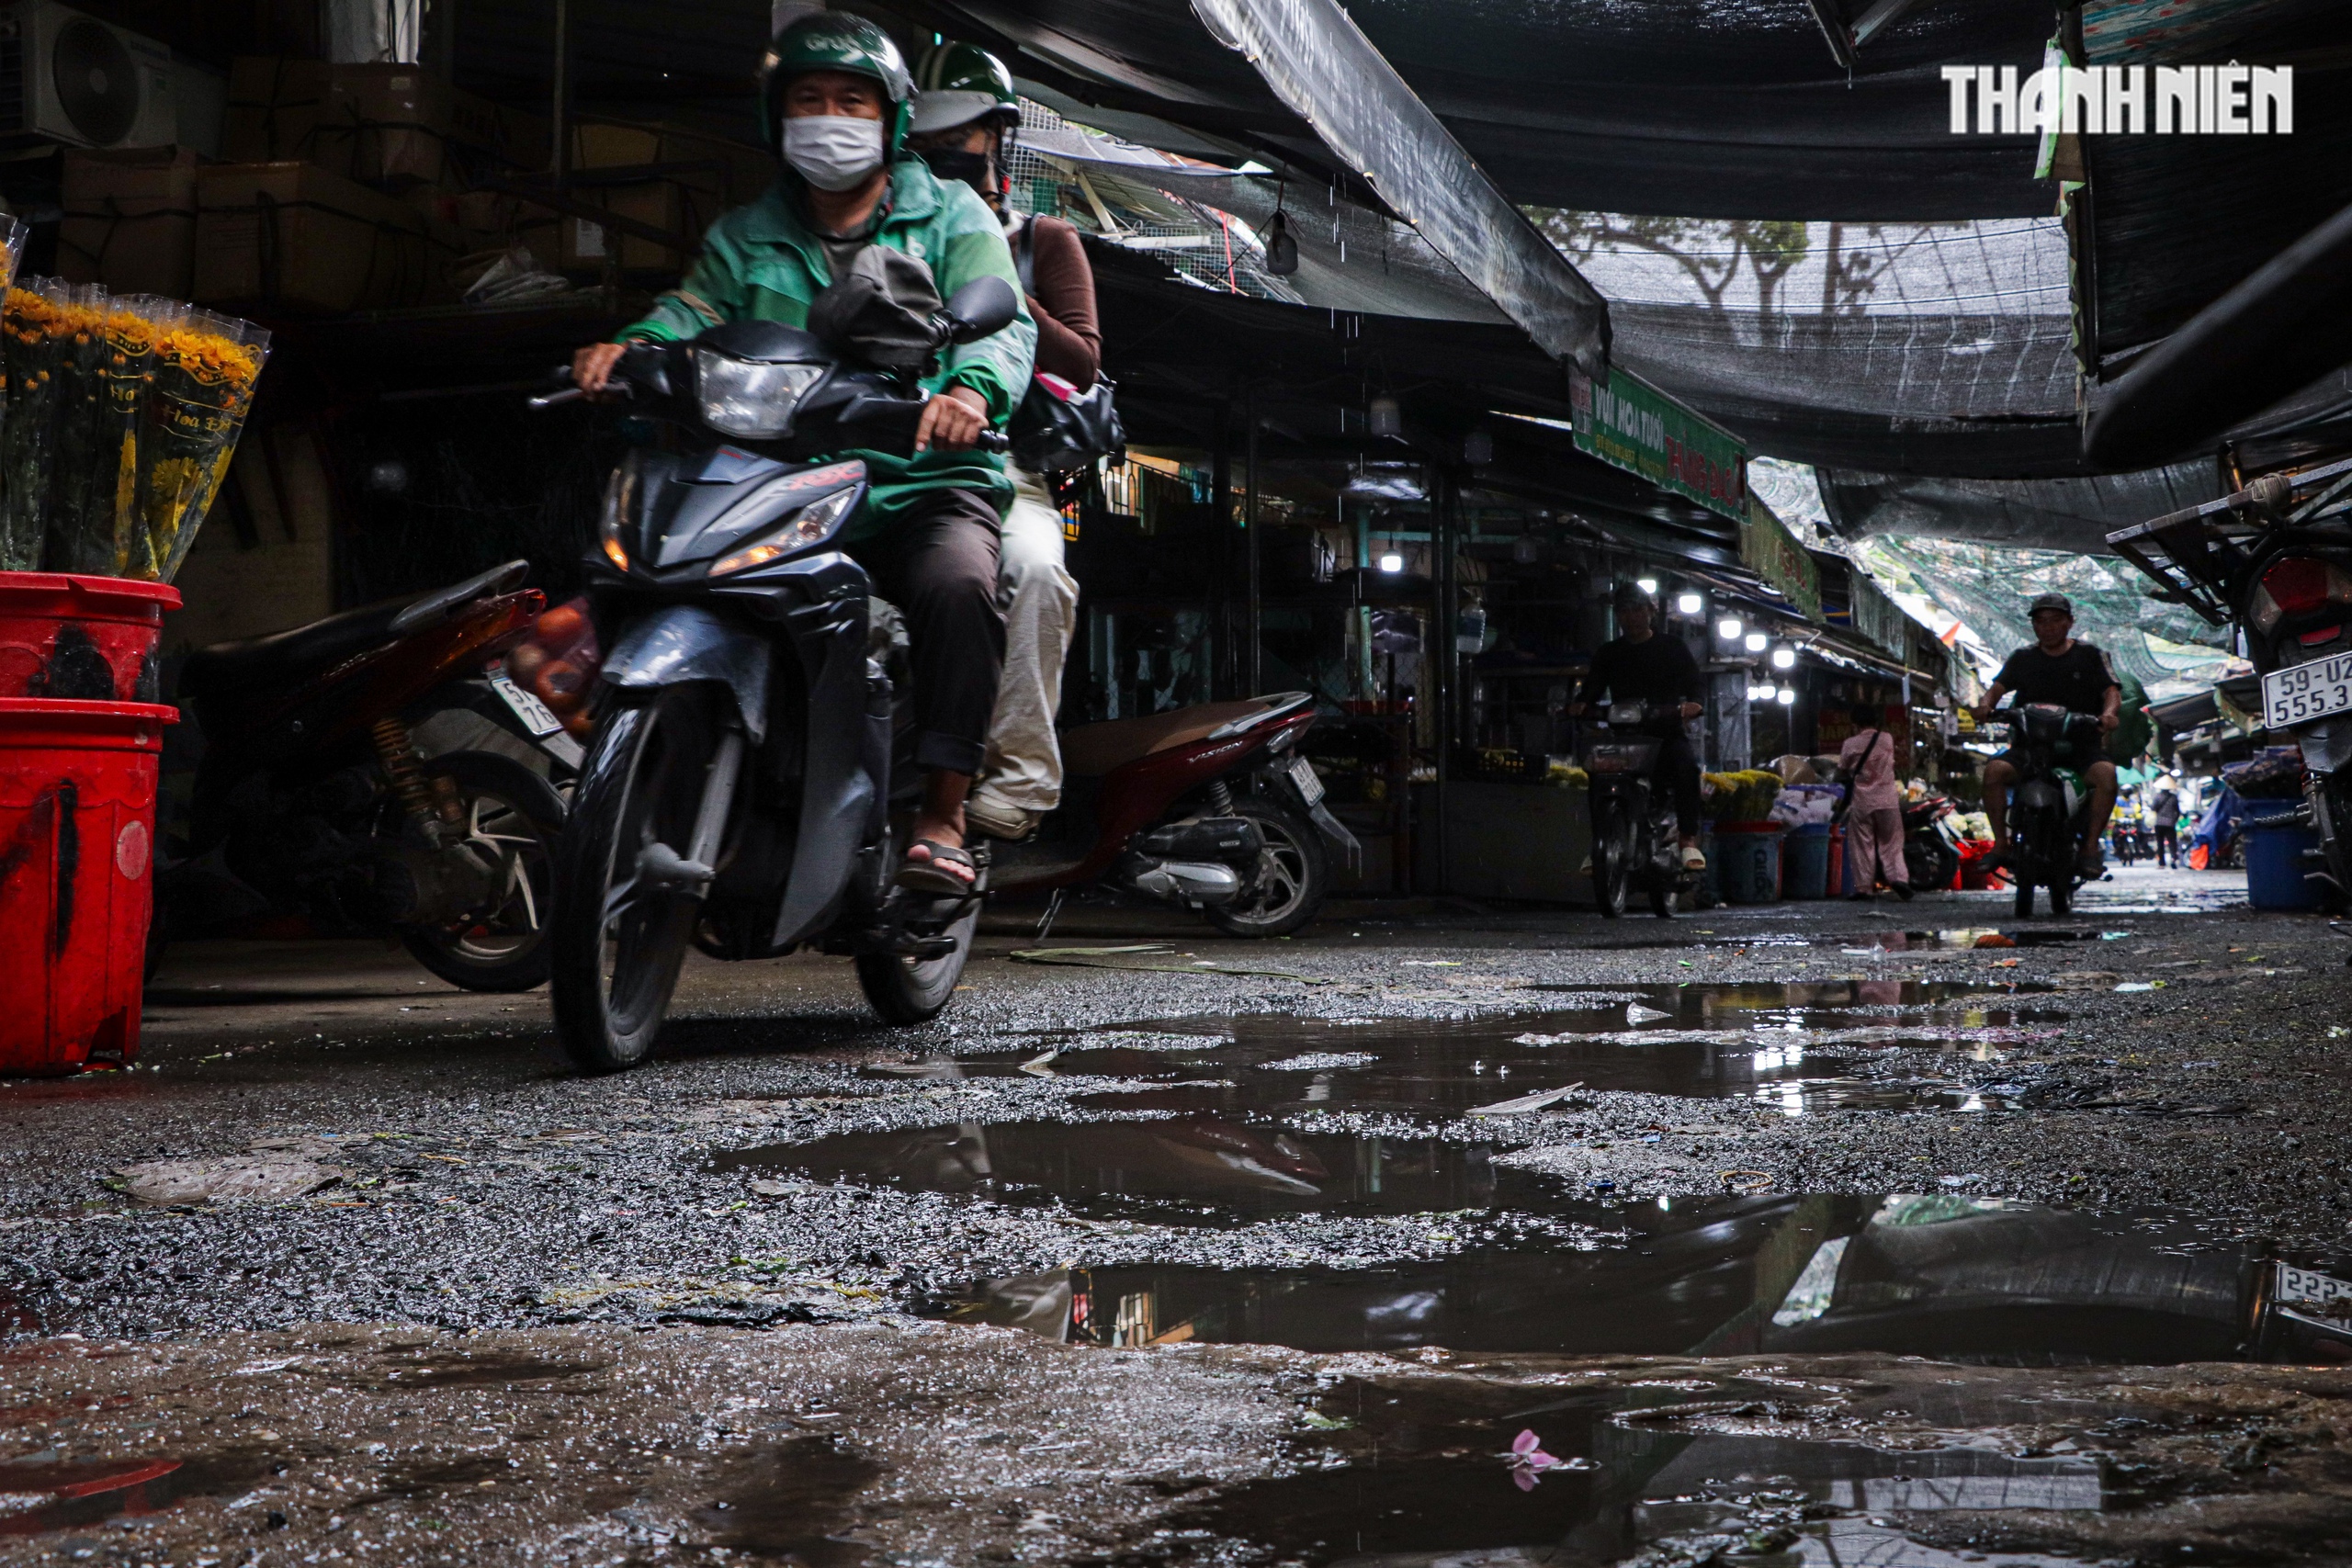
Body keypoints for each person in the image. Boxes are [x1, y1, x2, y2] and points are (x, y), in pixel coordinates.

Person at [570, 14, 1036, 895]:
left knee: (958, 583)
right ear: (777, 120)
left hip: (915, 480)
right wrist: (629, 349)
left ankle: (942, 813)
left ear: (890, 119)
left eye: (850, 101)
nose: (829, 117)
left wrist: (969, 389)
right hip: (774, 481)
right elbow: (695, 309)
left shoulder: (951, 213)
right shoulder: (748, 230)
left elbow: (1002, 322)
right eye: (809, 100)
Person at [904, 40, 1100, 841]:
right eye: (942, 136)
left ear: (999, 137)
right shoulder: (894, 221)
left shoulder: (1041, 238)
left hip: (1002, 463)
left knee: (1036, 571)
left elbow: (1084, 358)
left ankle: (1018, 777)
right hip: (886, 450)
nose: (958, 150)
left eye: (974, 133)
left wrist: (1003, 286)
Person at [1970, 592, 2120, 878]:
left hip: (2080, 748)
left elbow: (2111, 691)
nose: (2048, 627)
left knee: (2106, 776)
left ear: (2069, 623)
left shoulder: (2090, 655)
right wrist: (1985, 706)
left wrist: (2109, 714)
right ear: (2034, 626)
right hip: (2030, 746)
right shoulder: (2023, 657)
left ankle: (2089, 848)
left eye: (2055, 621)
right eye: (2041, 621)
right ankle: (2001, 845)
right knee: (1994, 772)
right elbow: (1997, 688)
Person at [1568, 585, 1706, 873]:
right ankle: (1599, 845)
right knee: (1597, 772)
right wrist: (1581, 704)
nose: (1630, 617)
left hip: (1665, 735)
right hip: (1624, 740)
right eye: (1623, 611)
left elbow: (1694, 683)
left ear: (1650, 612)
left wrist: (1693, 704)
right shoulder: (1609, 653)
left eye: (1637, 610)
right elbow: (1593, 688)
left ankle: (1687, 839)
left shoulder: (1672, 647)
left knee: (1687, 769)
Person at [1838, 704, 1911, 901]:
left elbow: (1842, 769)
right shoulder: (1886, 739)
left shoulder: (1849, 744)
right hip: (1887, 800)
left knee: (1862, 845)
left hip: (1862, 802)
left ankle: (1863, 888)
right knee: (1892, 843)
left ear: (1854, 723)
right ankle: (1898, 879)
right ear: (1876, 721)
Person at [2151, 774, 2181, 867]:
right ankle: (2173, 859)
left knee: (2160, 843)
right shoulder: (2174, 797)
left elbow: (2153, 808)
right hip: (2170, 824)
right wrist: (2174, 820)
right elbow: (2178, 811)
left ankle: (2161, 863)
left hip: (2159, 823)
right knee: (2172, 842)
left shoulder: (2157, 797)